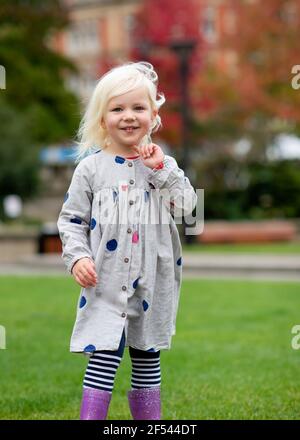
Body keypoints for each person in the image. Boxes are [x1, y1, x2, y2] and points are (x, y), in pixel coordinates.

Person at [57, 61, 197, 420]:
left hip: (152, 283)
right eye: (118, 109)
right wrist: (77, 257)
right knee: (103, 356)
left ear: (153, 114)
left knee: (147, 357)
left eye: (139, 107)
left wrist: (162, 169)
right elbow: (72, 220)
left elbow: (188, 209)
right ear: (103, 119)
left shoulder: (162, 165)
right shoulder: (90, 169)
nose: (129, 116)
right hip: (105, 281)